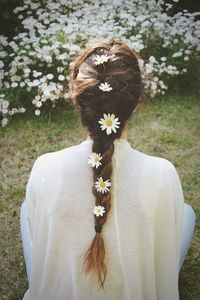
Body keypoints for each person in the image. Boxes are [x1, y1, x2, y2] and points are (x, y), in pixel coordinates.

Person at [20, 39, 196, 300]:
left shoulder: (44, 168)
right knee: (186, 214)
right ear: (135, 102)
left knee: (27, 210)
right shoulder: (162, 175)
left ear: (78, 100)